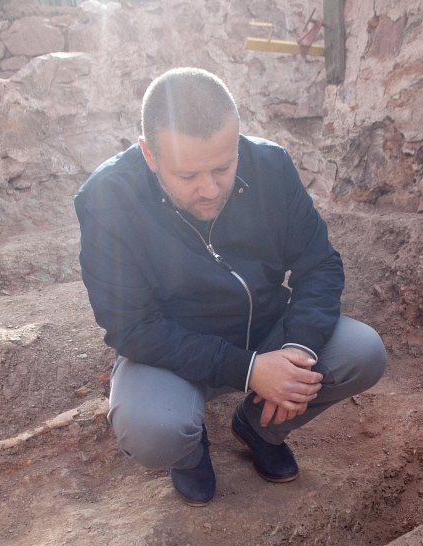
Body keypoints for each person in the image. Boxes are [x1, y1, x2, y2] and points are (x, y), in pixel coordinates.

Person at [75, 67, 386, 506]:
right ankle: (188, 452)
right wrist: (249, 370)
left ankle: (259, 426)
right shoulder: (107, 200)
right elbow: (131, 327)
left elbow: (320, 265)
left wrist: (298, 351)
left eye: (224, 166)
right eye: (188, 176)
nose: (210, 189)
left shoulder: (271, 166)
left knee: (363, 352)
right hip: (172, 352)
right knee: (153, 430)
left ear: (237, 137)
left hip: (267, 330)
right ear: (149, 154)